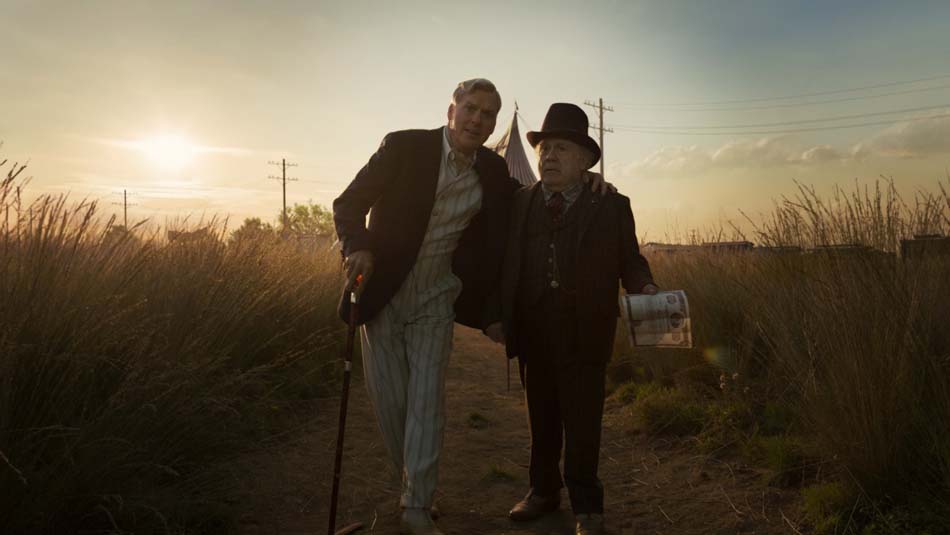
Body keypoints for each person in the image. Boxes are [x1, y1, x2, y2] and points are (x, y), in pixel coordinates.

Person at [333, 80, 608, 535]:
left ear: (494, 124)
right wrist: (357, 246)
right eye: (471, 109)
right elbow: (347, 204)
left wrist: (590, 182)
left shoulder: (492, 170)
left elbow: (534, 196)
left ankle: (417, 507)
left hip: (436, 297)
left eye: (488, 114)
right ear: (451, 111)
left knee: (426, 402)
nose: (478, 120)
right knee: (393, 407)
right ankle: (412, 486)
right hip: (382, 293)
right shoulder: (403, 147)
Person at [485, 102, 657, 535]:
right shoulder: (519, 201)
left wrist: (645, 287)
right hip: (533, 328)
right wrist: (496, 314)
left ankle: (587, 506)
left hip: (586, 330)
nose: (549, 157)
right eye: (544, 149)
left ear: (585, 161)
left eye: (561, 149)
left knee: (583, 422)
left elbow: (630, 260)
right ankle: (543, 491)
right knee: (541, 418)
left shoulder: (612, 205)